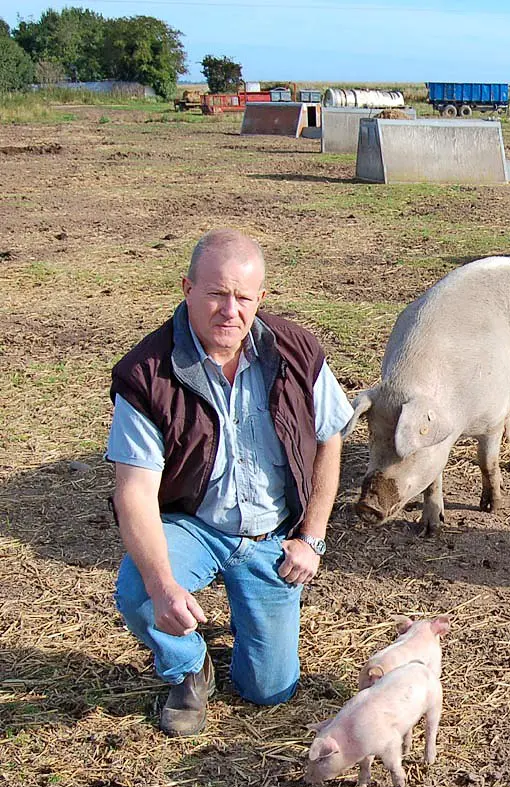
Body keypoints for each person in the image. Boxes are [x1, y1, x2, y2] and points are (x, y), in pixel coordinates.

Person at [107, 229, 354, 736]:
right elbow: (133, 491)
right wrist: (163, 584)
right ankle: (188, 668)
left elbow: (331, 438)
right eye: (216, 293)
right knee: (138, 589)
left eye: (243, 297)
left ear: (260, 299)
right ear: (187, 289)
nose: (229, 310)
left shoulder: (298, 352)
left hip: (271, 536)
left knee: (269, 691)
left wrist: (311, 538)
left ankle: (253, 620)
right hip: (194, 524)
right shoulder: (146, 372)